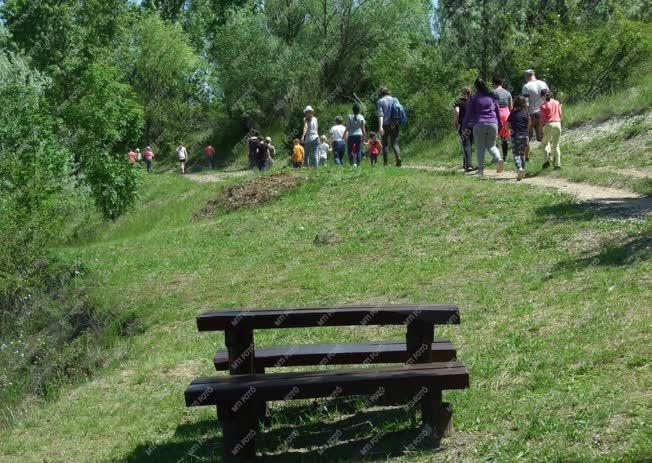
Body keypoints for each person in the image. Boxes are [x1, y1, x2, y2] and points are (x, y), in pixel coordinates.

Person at [461, 79, 504, 176]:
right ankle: (499, 159)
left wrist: (464, 126)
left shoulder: (474, 98)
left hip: (479, 124)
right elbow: (497, 111)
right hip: (493, 123)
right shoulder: (492, 97)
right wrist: (500, 125)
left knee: (480, 148)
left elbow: (468, 114)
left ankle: (480, 171)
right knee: (491, 145)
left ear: (476, 87)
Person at [522, 69, 549, 144]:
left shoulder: (526, 86)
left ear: (526, 76)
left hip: (532, 113)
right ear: (534, 75)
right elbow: (548, 98)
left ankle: (525, 155)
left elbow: (526, 103)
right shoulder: (543, 83)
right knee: (541, 137)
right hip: (543, 112)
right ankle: (548, 153)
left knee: (528, 136)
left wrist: (525, 115)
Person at [377, 86, 402, 167]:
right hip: (395, 124)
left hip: (385, 125)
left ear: (381, 93)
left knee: (385, 144)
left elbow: (381, 115)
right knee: (395, 142)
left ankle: (385, 163)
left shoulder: (380, 101)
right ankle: (398, 157)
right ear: (388, 92)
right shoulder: (395, 99)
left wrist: (380, 127)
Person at [507, 96, 530, 181]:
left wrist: (510, 129)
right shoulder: (526, 113)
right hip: (525, 136)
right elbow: (528, 125)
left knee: (516, 154)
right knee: (522, 154)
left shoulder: (512, 114)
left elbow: (507, 126)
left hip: (515, 136)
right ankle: (522, 171)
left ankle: (519, 168)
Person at [539, 89, 563, 170]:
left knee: (544, 143)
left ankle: (545, 161)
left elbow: (542, 119)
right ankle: (558, 164)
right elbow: (560, 114)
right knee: (556, 145)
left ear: (542, 96)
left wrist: (541, 128)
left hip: (549, 124)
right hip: (558, 123)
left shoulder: (543, 105)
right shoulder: (557, 102)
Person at [453, 87, 474, 172]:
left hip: (464, 125)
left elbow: (457, 112)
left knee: (465, 145)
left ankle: (468, 165)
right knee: (469, 145)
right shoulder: (472, 101)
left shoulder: (458, 102)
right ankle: (465, 164)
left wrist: (455, 122)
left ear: (462, 93)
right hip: (473, 125)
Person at [492, 76, 513, 161]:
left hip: (495, 115)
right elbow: (511, 107)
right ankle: (505, 157)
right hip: (506, 114)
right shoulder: (508, 93)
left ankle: (496, 157)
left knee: (494, 137)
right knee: (504, 137)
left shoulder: (492, 93)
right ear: (502, 83)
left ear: (493, 83)